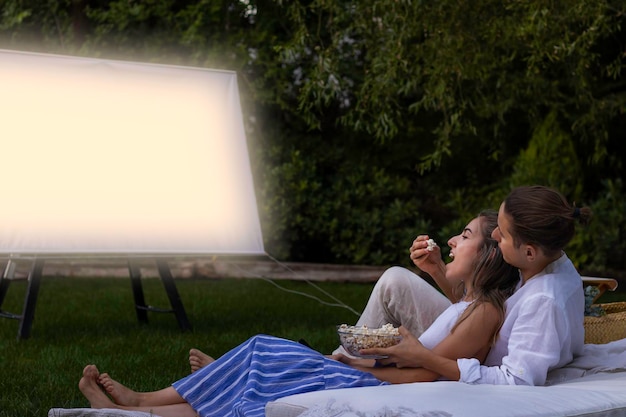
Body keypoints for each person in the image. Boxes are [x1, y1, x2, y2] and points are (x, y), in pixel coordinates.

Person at [78, 209, 520, 417]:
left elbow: (432, 374)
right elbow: (439, 344)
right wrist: (437, 274)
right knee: (264, 360)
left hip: (371, 379)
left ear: (486, 257)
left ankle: (140, 405)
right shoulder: (471, 303)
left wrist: (356, 363)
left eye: (465, 237)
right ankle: (138, 408)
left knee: (264, 354)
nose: (453, 241)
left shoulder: (482, 313)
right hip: (372, 370)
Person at [363, 185, 590, 386]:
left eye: (502, 236)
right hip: (476, 336)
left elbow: (516, 379)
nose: (494, 234)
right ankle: (345, 357)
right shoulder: (547, 255)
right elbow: (473, 310)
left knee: (394, 283)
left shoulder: (543, 301)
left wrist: (424, 357)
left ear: (529, 252)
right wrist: (437, 270)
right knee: (395, 280)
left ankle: (344, 366)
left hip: (473, 351)